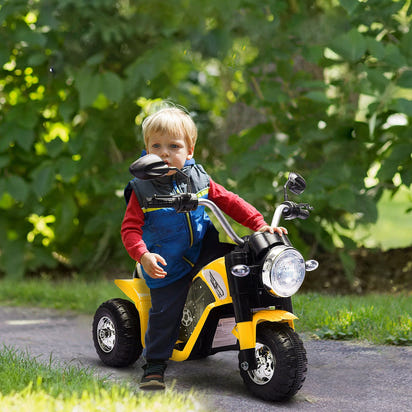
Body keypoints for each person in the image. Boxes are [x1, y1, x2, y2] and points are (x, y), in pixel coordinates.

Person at [121, 105, 287, 390]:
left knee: (245, 264)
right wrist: (144, 255)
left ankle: (247, 325)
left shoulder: (199, 178)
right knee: (166, 311)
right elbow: (130, 230)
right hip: (167, 262)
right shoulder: (142, 188)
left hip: (204, 248)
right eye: (155, 146)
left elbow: (229, 201)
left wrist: (259, 224)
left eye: (173, 146)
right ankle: (155, 365)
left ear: (190, 150)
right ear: (146, 150)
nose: (163, 153)